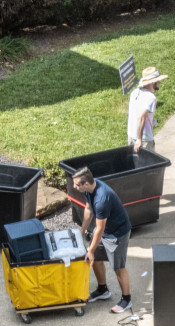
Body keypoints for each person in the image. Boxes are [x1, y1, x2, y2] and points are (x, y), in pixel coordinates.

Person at [72, 167, 133, 313]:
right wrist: (82, 230)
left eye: (77, 185)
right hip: (104, 231)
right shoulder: (89, 189)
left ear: (86, 183)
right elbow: (88, 209)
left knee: (118, 268)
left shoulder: (101, 199)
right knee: (96, 259)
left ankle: (126, 299)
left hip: (116, 234)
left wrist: (91, 250)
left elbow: (99, 228)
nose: (74, 187)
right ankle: (102, 290)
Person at [127, 66, 168, 153]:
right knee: (148, 164)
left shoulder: (134, 92)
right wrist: (139, 139)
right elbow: (141, 117)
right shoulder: (151, 98)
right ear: (153, 82)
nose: (159, 82)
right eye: (158, 80)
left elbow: (136, 112)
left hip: (131, 134)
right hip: (144, 139)